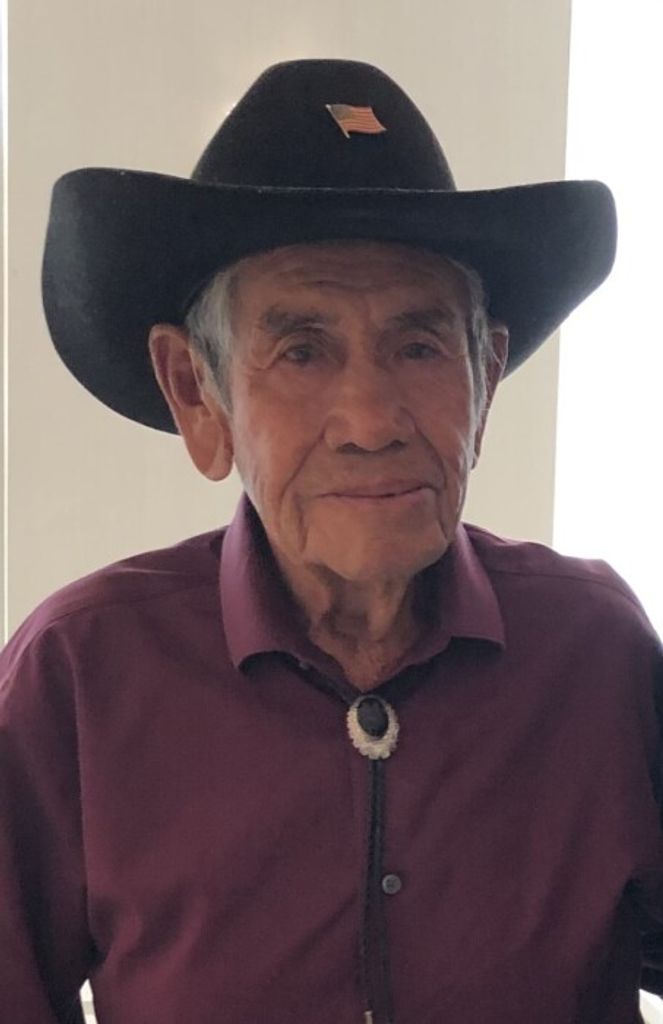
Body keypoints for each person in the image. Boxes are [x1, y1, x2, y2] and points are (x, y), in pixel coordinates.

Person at [1, 58, 662, 1024]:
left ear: (484, 378)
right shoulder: (82, 671)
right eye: (301, 351)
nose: (369, 420)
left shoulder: (595, 651)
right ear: (197, 393)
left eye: (419, 346)